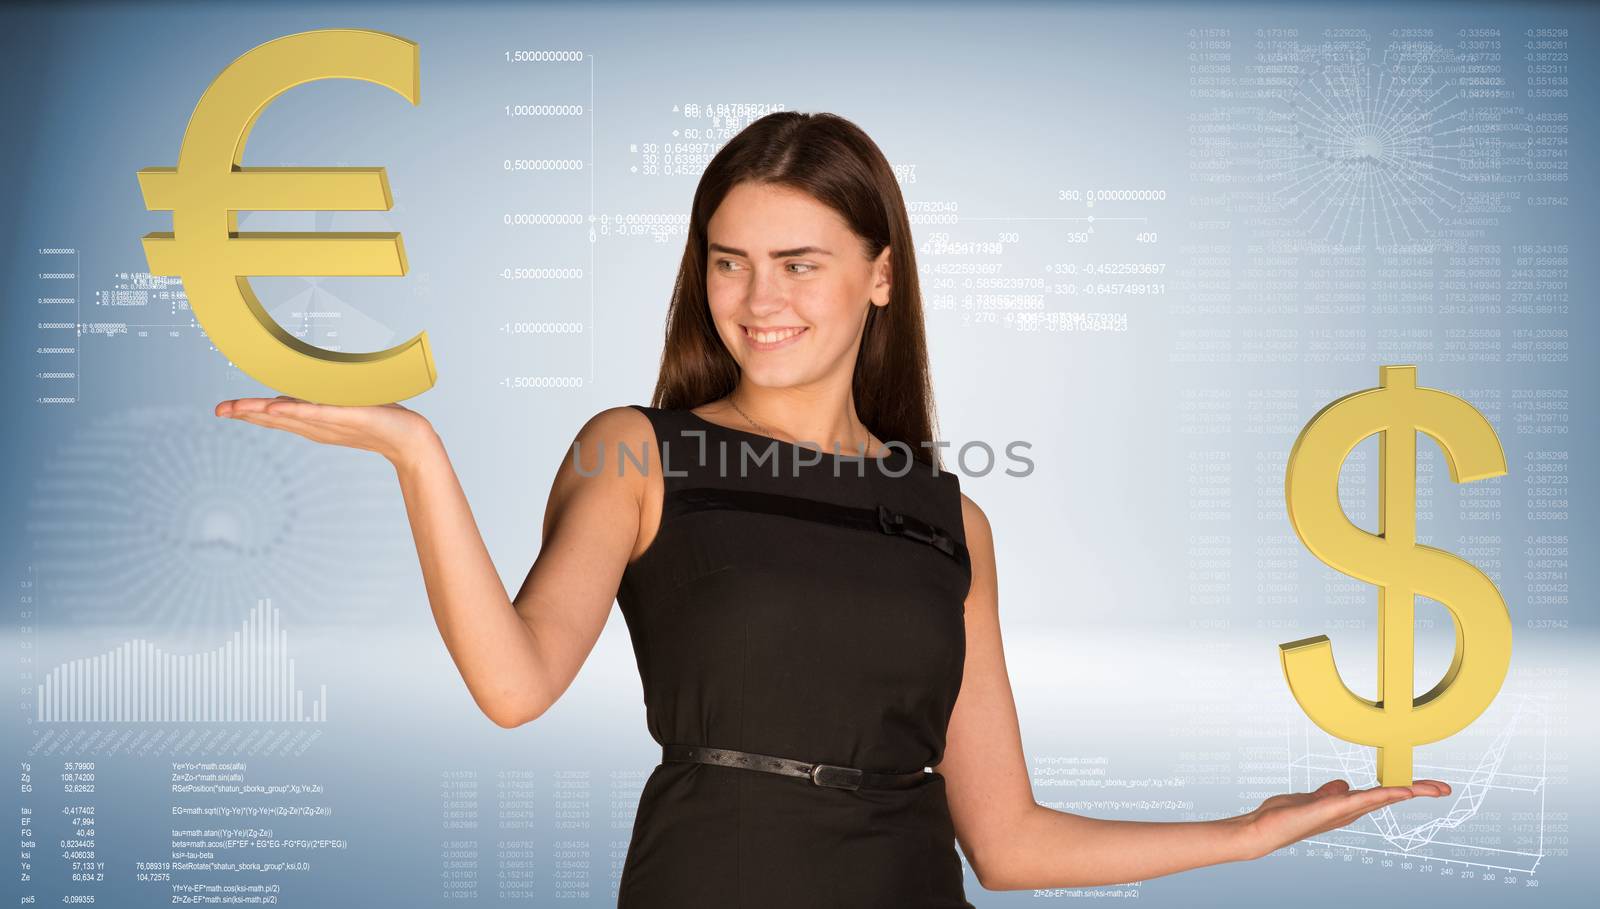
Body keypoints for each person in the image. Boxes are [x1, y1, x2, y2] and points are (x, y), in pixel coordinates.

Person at [215, 111, 1450, 906]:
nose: (757, 299)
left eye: (798, 262)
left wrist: (1245, 832)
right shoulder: (636, 454)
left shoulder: (949, 519)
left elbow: (1006, 843)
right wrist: (418, 456)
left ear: (879, 274)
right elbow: (512, 683)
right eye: (727, 258)